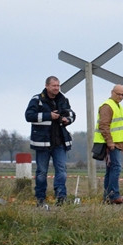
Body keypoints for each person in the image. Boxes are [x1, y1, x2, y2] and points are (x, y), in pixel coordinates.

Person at [25, 75, 76, 206]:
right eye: (54, 85)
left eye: (58, 85)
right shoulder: (37, 100)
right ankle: (40, 198)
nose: (56, 88)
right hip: (42, 143)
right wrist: (49, 116)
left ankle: (61, 197)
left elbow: (71, 114)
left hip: (60, 142)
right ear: (47, 86)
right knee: (42, 172)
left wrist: (67, 120)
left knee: (62, 171)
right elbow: (29, 116)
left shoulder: (63, 99)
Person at [94, 84, 123, 204]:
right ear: (112, 92)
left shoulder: (118, 107)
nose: (121, 96)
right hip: (110, 144)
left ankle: (108, 196)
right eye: (118, 94)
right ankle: (113, 195)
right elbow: (103, 126)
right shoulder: (107, 106)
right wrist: (110, 143)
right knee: (115, 168)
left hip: (117, 143)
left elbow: (120, 128)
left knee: (111, 169)